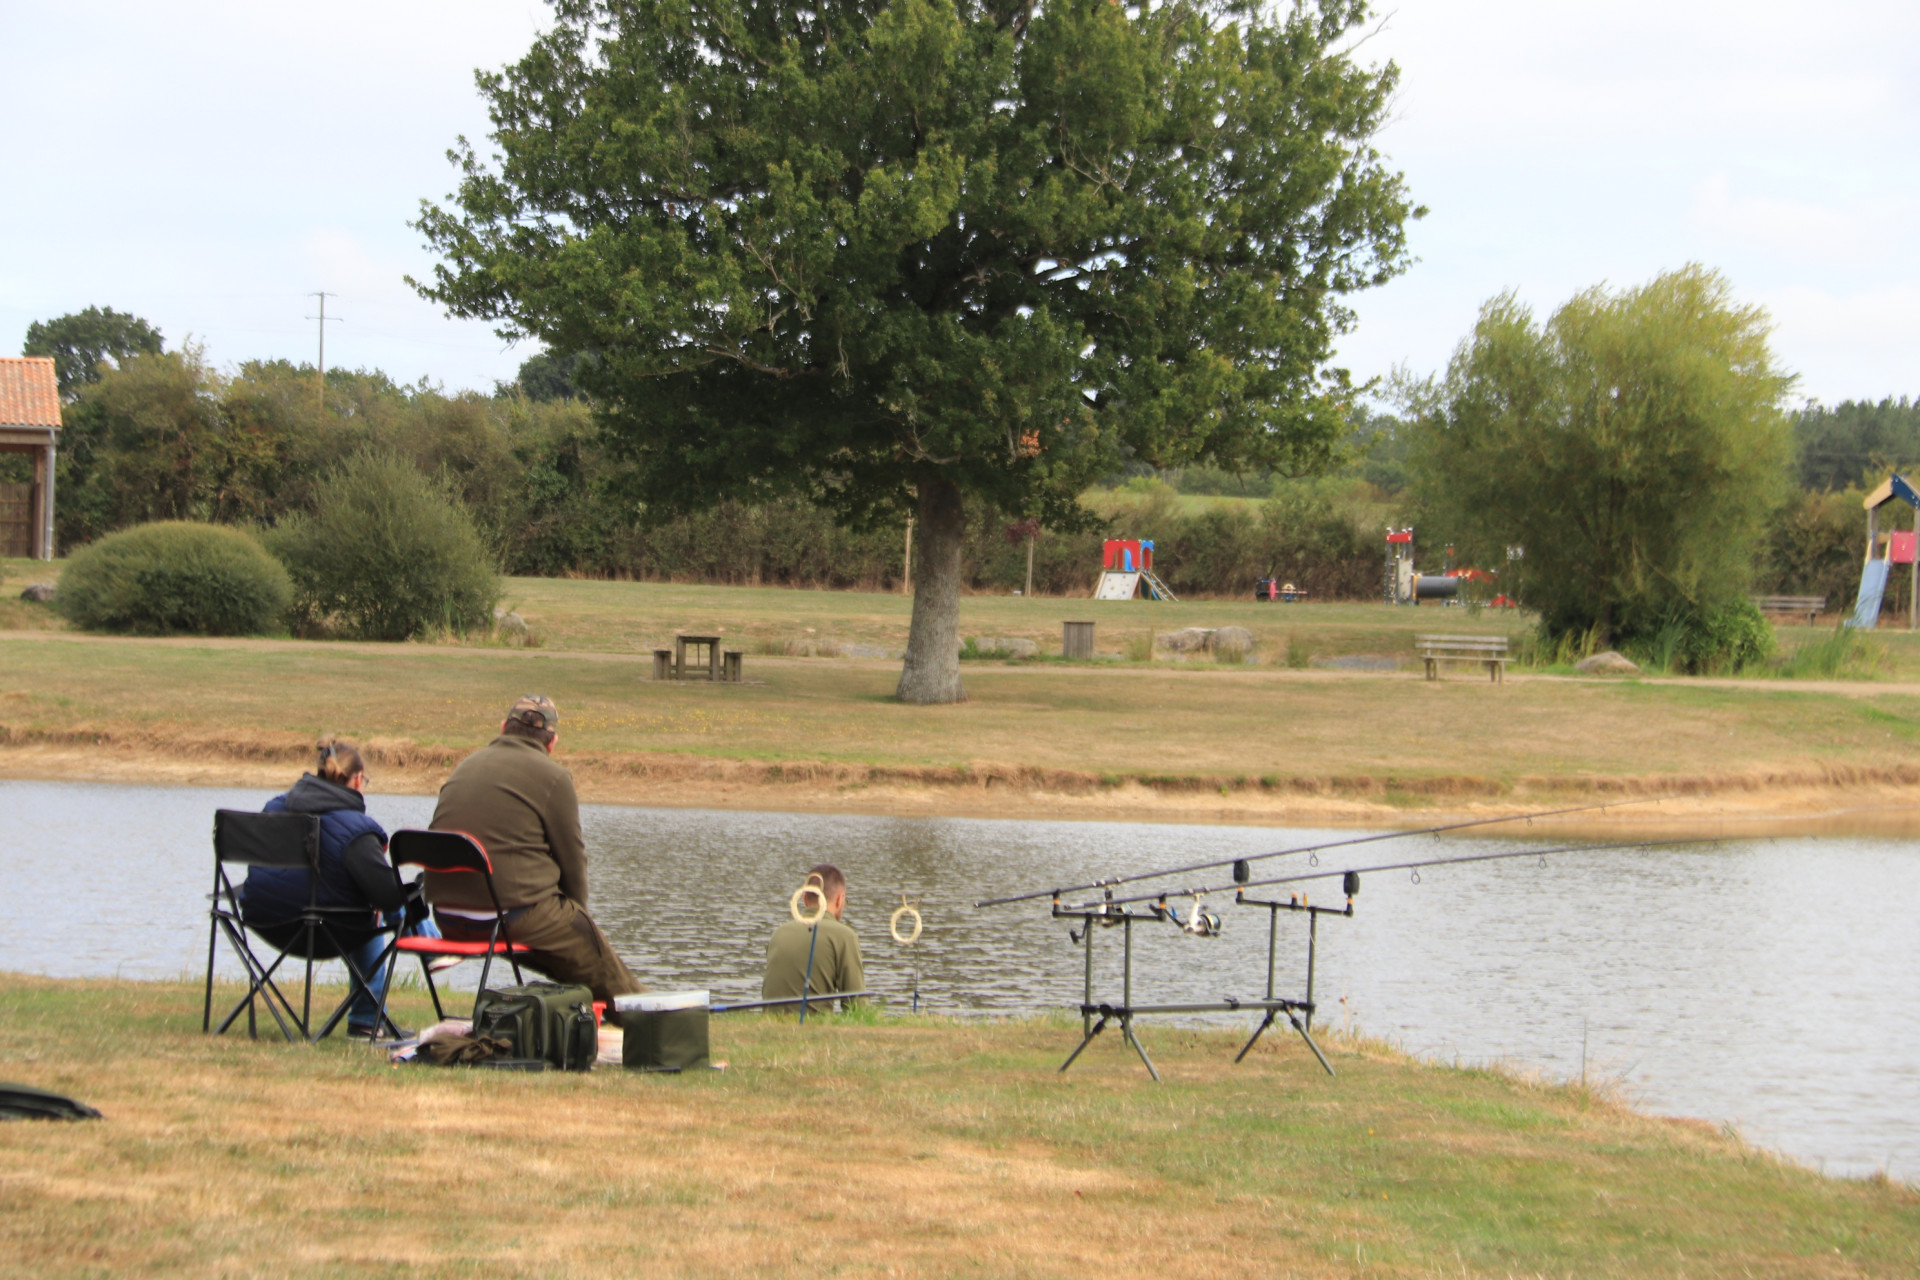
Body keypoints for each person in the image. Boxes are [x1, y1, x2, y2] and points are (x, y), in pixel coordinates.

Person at [423, 695, 643, 1007]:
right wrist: (577, 916)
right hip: (508, 919)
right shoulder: (553, 776)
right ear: (552, 743)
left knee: (568, 948)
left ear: (502, 729)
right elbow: (573, 859)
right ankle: (650, 1020)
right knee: (587, 945)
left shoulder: (465, 765)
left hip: (446, 918)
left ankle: (574, 1017)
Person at [238, 736, 444, 1040]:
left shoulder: (274, 808)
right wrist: (417, 887)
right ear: (358, 780)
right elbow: (387, 895)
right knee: (381, 900)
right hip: (322, 932)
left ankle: (370, 1014)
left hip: (263, 919)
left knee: (367, 898)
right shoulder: (355, 828)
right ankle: (429, 949)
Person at [762, 863, 865, 1002]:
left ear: (804, 899)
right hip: (814, 1023)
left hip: (769, 1022)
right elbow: (856, 1004)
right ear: (840, 900)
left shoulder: (778, 934)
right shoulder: (845, 936)